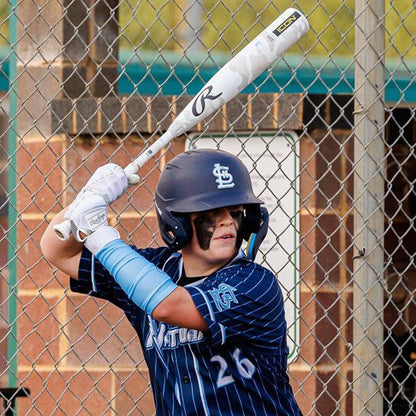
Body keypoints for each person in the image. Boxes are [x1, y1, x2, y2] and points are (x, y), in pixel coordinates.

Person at [41, 148, 303, 415]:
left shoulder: (255, 284)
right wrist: (87, 198)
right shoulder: (156, 269)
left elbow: (169, 305)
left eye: (235, 211)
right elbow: (57, 249)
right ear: (178, 221)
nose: (227, 222)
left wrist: (100, 234)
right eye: (212, 212)